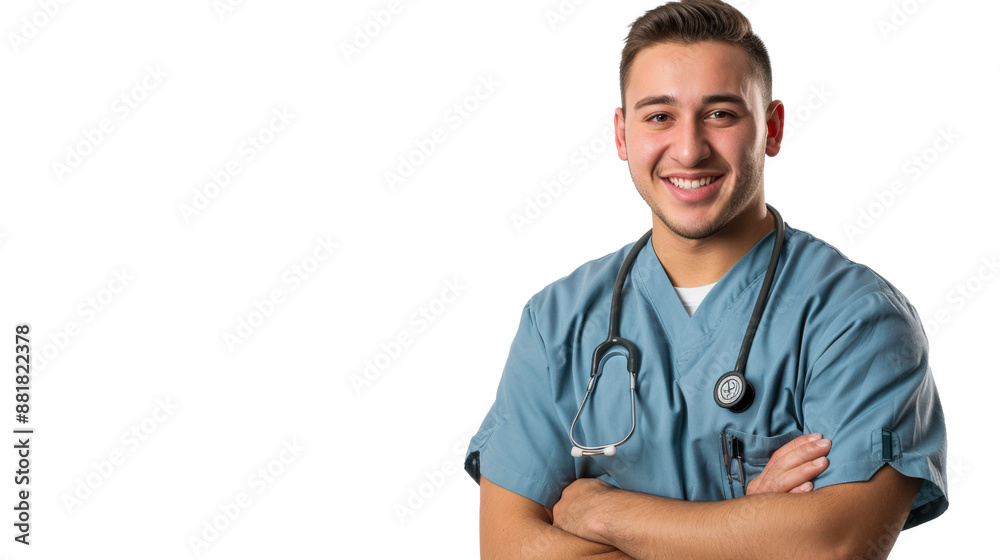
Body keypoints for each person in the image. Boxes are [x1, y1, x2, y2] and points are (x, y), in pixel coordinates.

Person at [464, 0, 948, 558]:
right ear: (622, 135)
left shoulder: (856, 320)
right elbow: (508, 548)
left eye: (720, 114)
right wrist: (753, 527)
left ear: (772, 127)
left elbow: (830, 546)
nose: (689, 149)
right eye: (659, 116)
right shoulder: (557, 323)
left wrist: (596, 510)